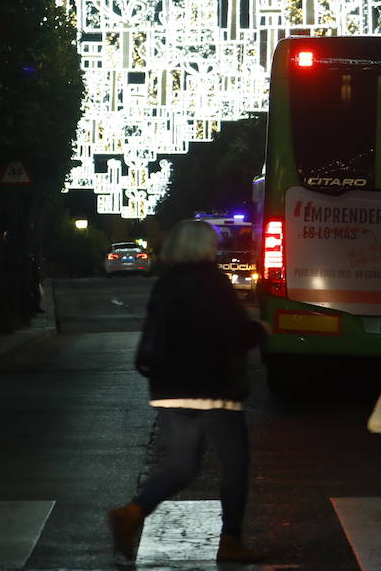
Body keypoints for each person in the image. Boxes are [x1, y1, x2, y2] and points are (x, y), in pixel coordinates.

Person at [107, 219, 270, 564]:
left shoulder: (164, 284)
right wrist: (262, 330)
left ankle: (133, 512)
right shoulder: (214, 283)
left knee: (182, 465)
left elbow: (152, 334)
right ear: (204, 247)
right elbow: (238, 332)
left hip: (169, 389)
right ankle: (231, 540)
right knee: (234, 464)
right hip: (214, 389)